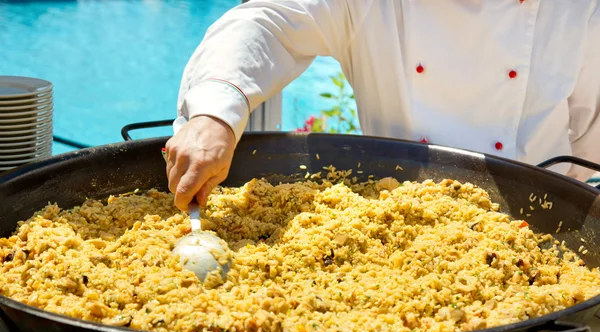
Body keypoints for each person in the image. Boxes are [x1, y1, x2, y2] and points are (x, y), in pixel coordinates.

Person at [164, 0, 600, 211]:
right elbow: (268, 21)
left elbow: (590, 139)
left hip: (540, 232)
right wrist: (214, 112)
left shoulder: (581, 9)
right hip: (395, 229)